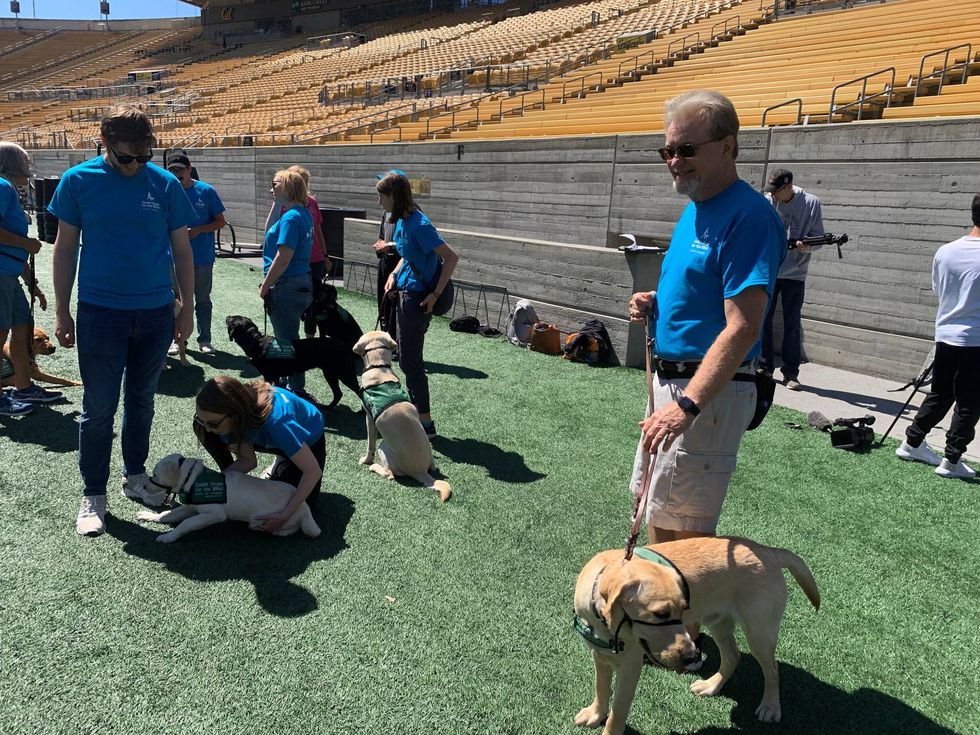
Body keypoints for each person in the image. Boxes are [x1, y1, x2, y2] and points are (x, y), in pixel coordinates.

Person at [627, 89, 784, 545]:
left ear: (729, 146)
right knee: (657, 521)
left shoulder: (748, 216)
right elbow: (709, 293)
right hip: (677, 388)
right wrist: (657, 301)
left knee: (680, 547)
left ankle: (679, 621)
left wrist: (686, 407)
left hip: (701, 397)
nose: (675, 161)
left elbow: (743, 326)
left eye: (687, 150)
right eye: (669, 151)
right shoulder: (696, 209)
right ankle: (671, 620)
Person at [49, 106, 196, 537]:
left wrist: (185, 309)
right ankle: (93, 493)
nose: (136, 165)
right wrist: (62, 308)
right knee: (98, 409)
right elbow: (65, 248)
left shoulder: (165, 184)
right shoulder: (78, 181)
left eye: (144, 156)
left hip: (153, 313)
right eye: (127, 157)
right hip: (100, 312)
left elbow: (182, 252)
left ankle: (135, 477)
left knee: (142, 402)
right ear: (106, 143)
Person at [895, 194, 980, 480]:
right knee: (969, 402)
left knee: (941, 394)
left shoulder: (946, 251)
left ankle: (912, 442)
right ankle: (952, 460)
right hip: (975, 339)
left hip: (945, 335)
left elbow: (939, 290)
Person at [378, 171, 459, 439]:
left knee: (411, 363)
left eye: (382, 197)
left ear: (393, 196)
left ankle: (425, 424)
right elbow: (407, 256)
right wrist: (393, 274)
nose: (379, 203)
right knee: (407, 360)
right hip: (405, 293)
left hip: (418, 299)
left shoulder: (419, 224)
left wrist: (435, 294)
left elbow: (451, 258)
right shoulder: (402, 221)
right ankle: (418, 416)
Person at [193, 375, 325, 531]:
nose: (208, 427)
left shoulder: (278, 423)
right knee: (205, 430)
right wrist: (211, 486)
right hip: (262, 432)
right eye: (203, 420)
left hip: (306, 437)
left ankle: (284, 460)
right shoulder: (233, 414)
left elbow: (312, 472)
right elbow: (247, 461)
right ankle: (232, 487)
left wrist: (284, 515)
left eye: (212, 423)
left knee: (299, 512)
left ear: (236, 414)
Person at [0, 141, 60, 417]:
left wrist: (32, 284)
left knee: (21, 330)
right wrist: (26, 243)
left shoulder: (8, 189)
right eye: (24, 162)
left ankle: (24, 388)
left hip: (10, 272)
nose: (28, 167)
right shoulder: (1, 186)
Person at [760, 168, 825, 391]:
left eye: (777, 191)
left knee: (792, 323)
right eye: (771, 191)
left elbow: (819, 237)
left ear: (789, 186)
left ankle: (790, 373)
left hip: (796, 273)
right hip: (769, 270)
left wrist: (806, 246)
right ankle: (764, 366)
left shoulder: (811, 203)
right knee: (763, 320)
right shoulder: (768, 200)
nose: (773, 195)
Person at [261, 168, 314, 400]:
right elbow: (268, 233)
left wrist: (265, 284)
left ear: (290, 188)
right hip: (300, 281)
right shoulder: (300, 213)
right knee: (287, 337)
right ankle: (285, 382)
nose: (272, 188)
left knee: (286, 340)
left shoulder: (292, 217)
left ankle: (295, 390)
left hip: (287, 283)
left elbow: (283, 258)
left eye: (277, 184)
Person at [166, 153, 225, 355]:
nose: (176, 174)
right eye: (172, 170)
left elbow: (220, 221)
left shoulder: (206, 191)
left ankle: (205, 339)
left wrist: (199, 230)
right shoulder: (166, 191)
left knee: (202, 300)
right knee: (175, 301)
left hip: (201, 258)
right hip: (173, 258)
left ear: (189, 169)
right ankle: (177, 340)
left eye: (180, 170)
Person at [284, 165, 330, 340]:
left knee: (313, 301)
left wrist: (325, 256)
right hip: (293, 261)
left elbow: (318, 231)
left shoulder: (312, 203)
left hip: (315, 259)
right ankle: (291, 338)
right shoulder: (284, 204)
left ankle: (310, 338)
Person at [373, 169, 407, 346]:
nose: (379, 201)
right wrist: (380, 245)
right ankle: (386, 341)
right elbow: (382, 235)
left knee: (395, 307)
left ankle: (395, 343)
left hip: (399, 265)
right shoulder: (386, 212)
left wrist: (389, 245)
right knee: (384, 304)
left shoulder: (409, 215)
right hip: (385, 263)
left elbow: (406, 246)